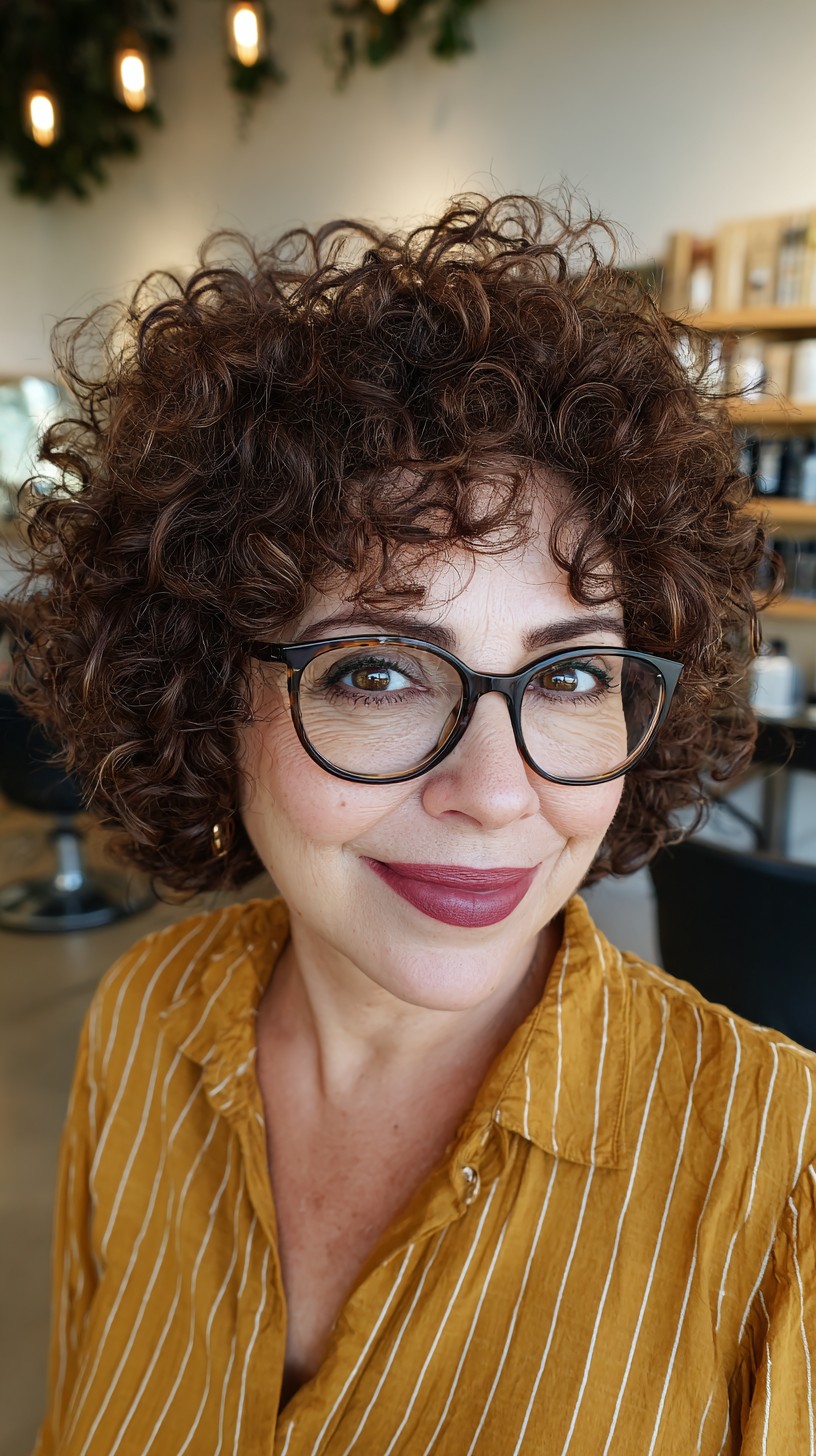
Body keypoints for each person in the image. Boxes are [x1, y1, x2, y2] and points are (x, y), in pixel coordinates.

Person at [8, 195, 813, 1456]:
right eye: (378, 671)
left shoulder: (785, 1185)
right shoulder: (142, 1029)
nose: (497, 793)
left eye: (570, 675)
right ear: (209, 690)